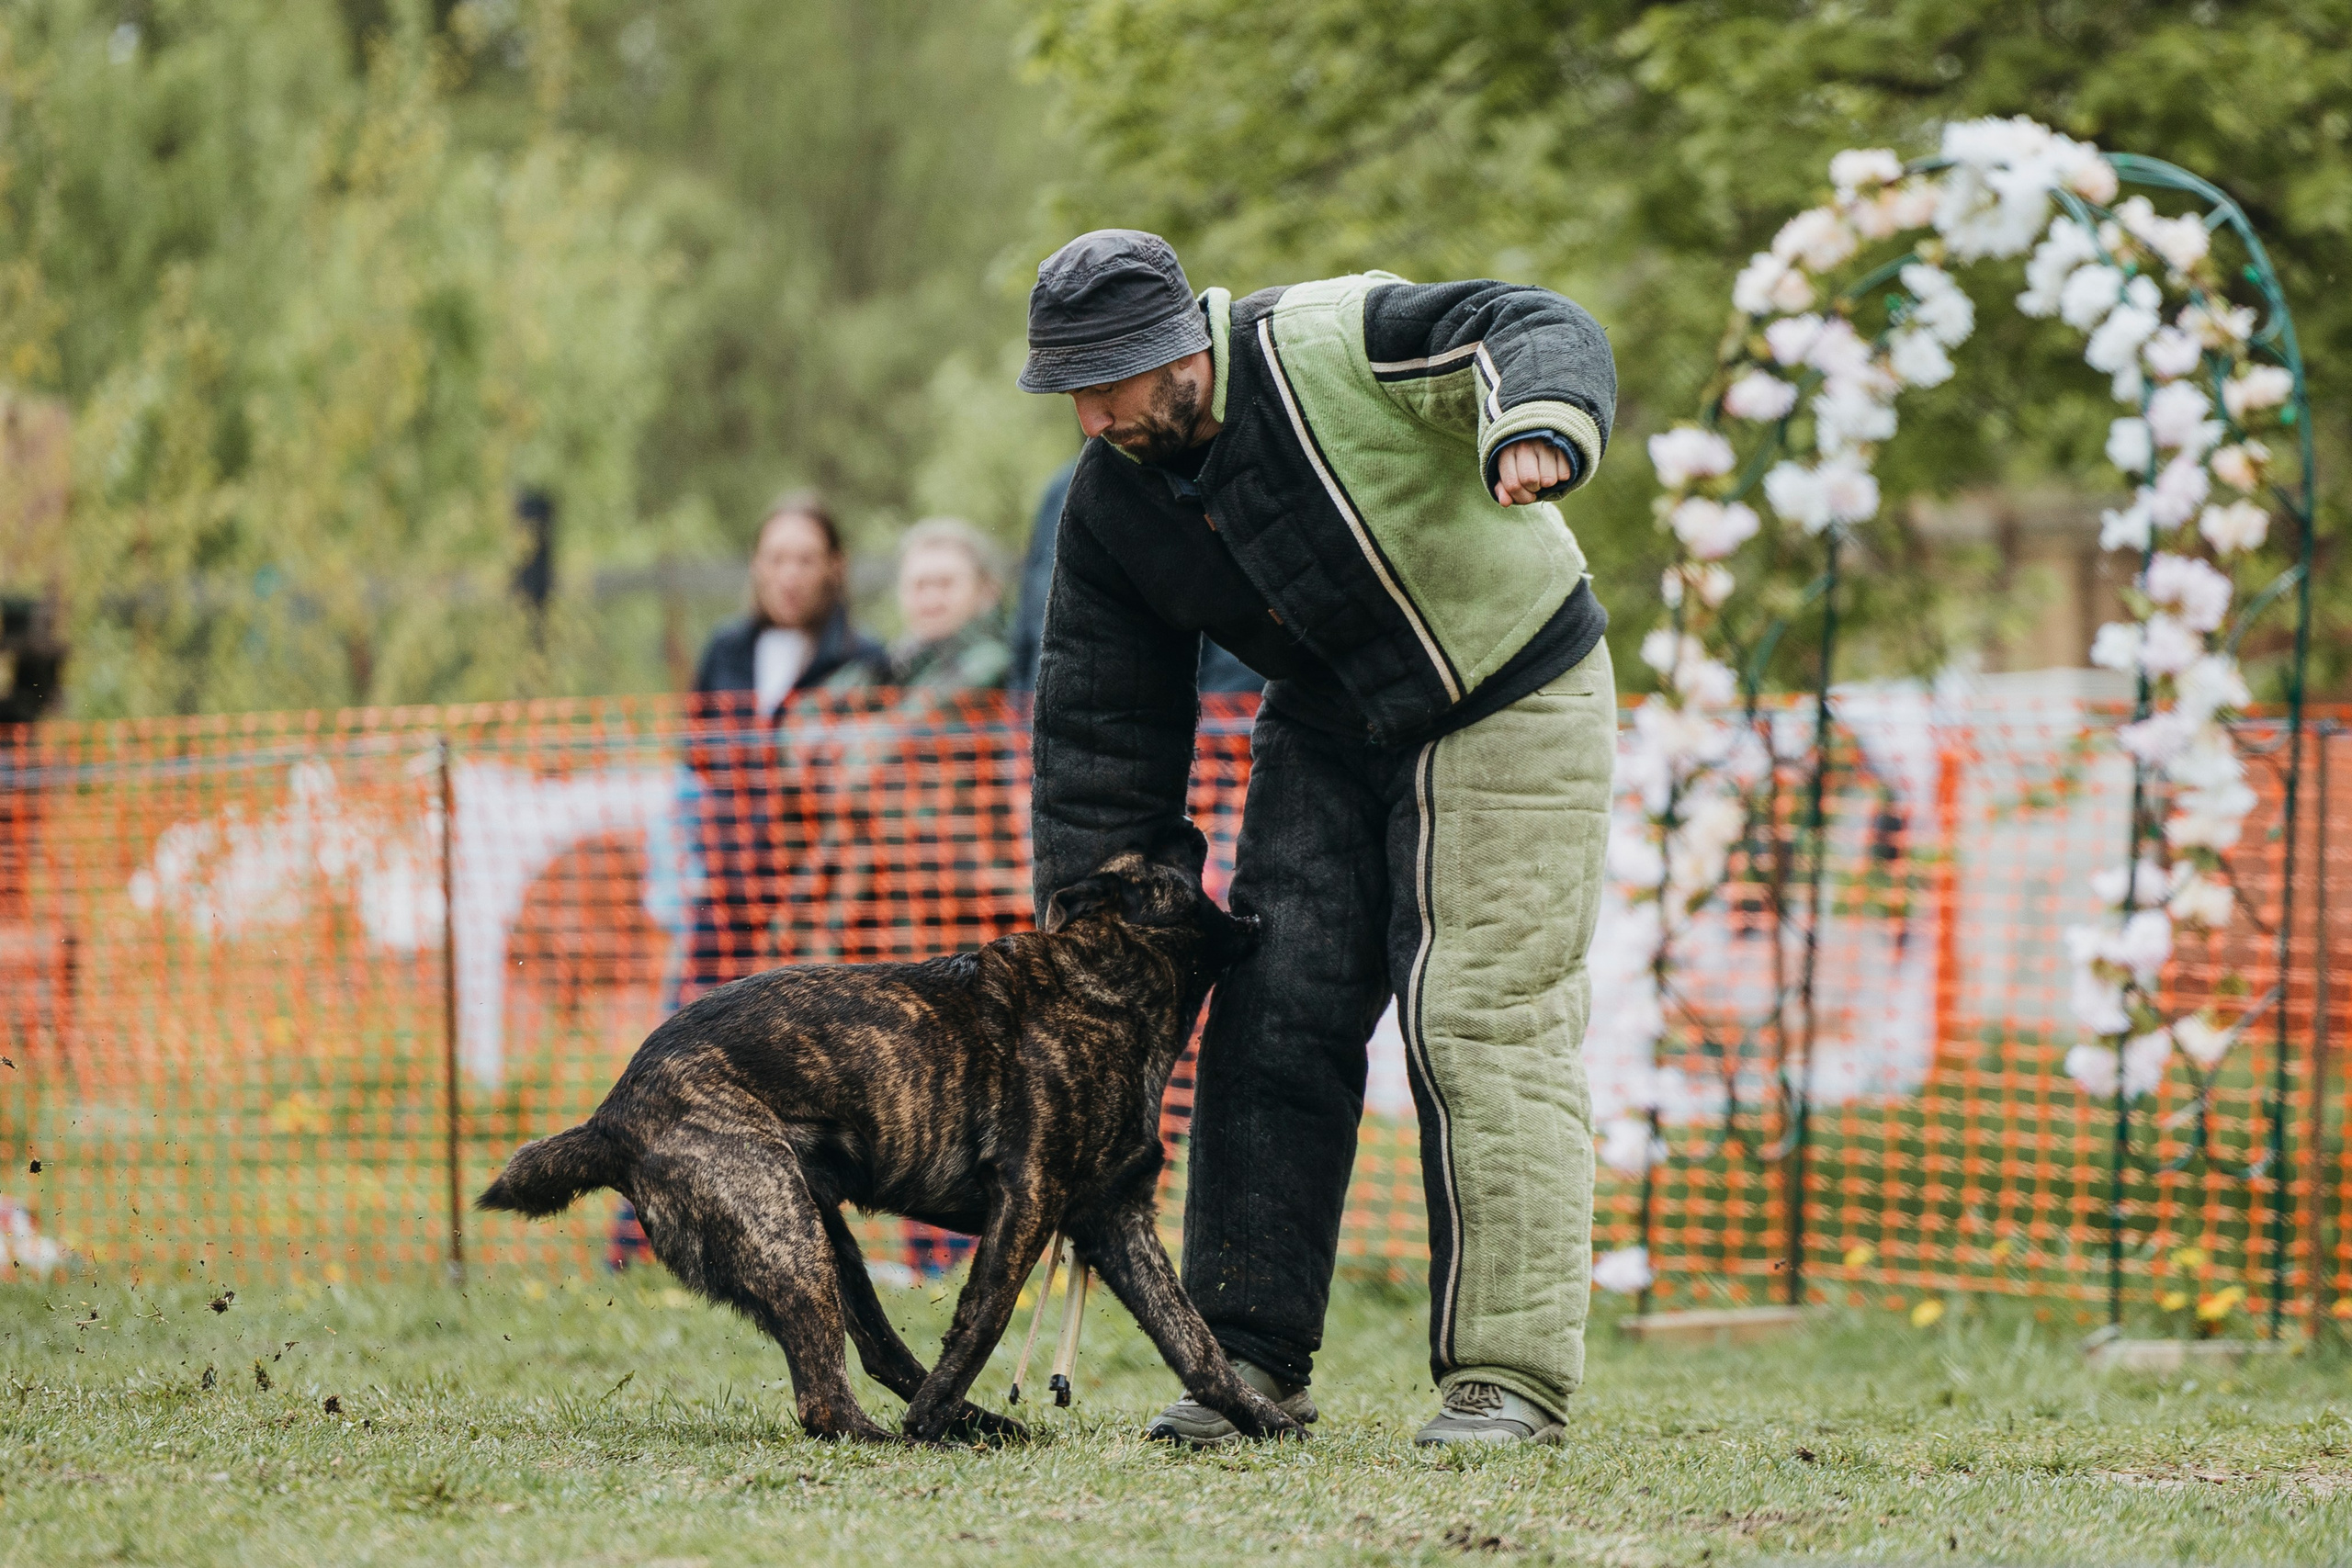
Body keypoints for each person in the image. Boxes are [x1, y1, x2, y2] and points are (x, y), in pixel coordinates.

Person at [1019, 230, 1616, 1448]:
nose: (1092, 417)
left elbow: (1528, 318)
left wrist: (1538, 419)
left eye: (1106, 382)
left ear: (1176, 345)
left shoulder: (1333, 340)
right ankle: (1241, 1360)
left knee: (1478, 1013)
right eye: (1071, 390)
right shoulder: (1112, 503)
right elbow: (1101, 722)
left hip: (1510, 684)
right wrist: (1101, 929)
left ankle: (1507, 1376)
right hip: (1329, 716)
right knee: (1272, 1009)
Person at [828, 517, 1012, 692]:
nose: (931, 598)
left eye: (945, 584)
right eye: (919, 585)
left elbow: (914, 720)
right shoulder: (903, 658)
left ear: (986, 591)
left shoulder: (991, 661)